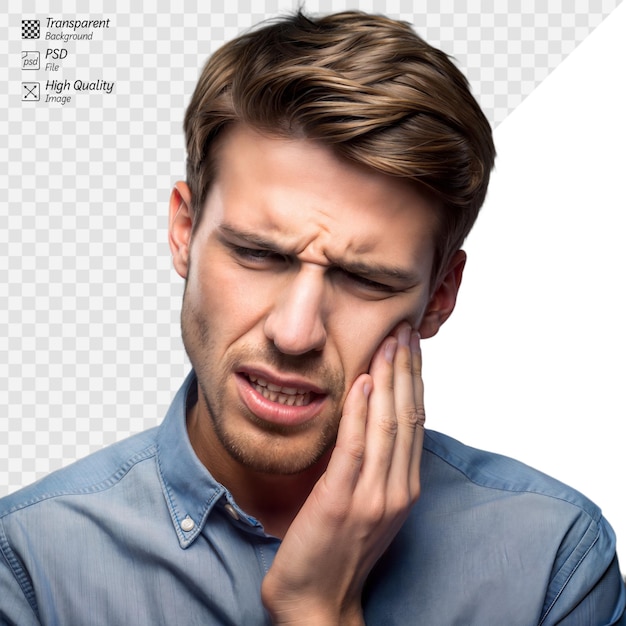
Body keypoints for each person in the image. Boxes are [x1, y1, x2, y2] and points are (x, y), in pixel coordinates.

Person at [1, 9, 624, 625]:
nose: (294, 334)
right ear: (184, 233)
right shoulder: (28, 565)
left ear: (439, 295)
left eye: (365, 279)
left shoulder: (553, 562)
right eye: (257, 253)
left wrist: (317, 611)